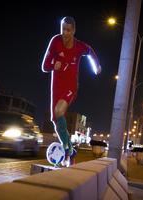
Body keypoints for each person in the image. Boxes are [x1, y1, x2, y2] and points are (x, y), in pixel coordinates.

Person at [41, 16, 101, 166]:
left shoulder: (79, 46)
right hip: (56, 87)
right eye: (63, 29)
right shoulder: (55, 41)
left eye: (68, 30)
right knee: (55, 119)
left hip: (70, 87)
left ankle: (67, 151)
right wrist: (54, 64)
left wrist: (97, 65)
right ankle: (71, 151)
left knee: (59, 111)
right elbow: (45, 66)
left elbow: (91, 52)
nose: (65, 33)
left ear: (74, 30)